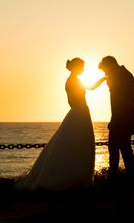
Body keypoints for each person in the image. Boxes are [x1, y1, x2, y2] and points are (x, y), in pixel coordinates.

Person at [16, 58, 105, 191]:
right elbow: (80, 94)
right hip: (79, 112)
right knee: (77, 143)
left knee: (77, 143)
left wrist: (103, 79)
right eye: (82, 67)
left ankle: (76, 177)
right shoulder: (73, 81)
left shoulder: (74, 80)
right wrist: (79, 109)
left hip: (79, 111)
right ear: (76, 67)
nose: (84, 70)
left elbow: (89, 88)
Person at [98, 55, 134, 179]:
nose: (105, 73)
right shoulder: (121, 75)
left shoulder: (123, 76)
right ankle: (120, 178)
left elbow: (122, 99)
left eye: (105, 70)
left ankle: (122, 178)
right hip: (119, 120)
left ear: (110, 66)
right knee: (117, 150)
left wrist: (111, 84)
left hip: (123, 120)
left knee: (123, 150)